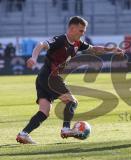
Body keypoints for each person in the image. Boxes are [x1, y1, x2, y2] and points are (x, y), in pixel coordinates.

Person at [16, 16, 124, 144]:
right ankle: (66, 129)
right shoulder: (61, 40)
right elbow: (41, 44)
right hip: (51, 77)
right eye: (81, 31)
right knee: (72, 102)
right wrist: (34, 57)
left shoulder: (78, 43)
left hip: (42, 78)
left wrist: (112, 50)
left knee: (44, 112)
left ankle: (23, 134)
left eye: (84, 31)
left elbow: (94, 49)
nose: (83, 33)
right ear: (72, 28)